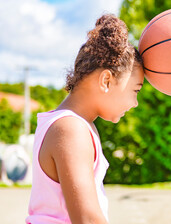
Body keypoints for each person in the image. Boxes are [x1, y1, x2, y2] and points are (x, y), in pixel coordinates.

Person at [26, 14, 144, 224]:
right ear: (106, 80)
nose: (135, 102)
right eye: (135, 90)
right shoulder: (71, 129)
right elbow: (87, 219)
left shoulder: (72, 124)